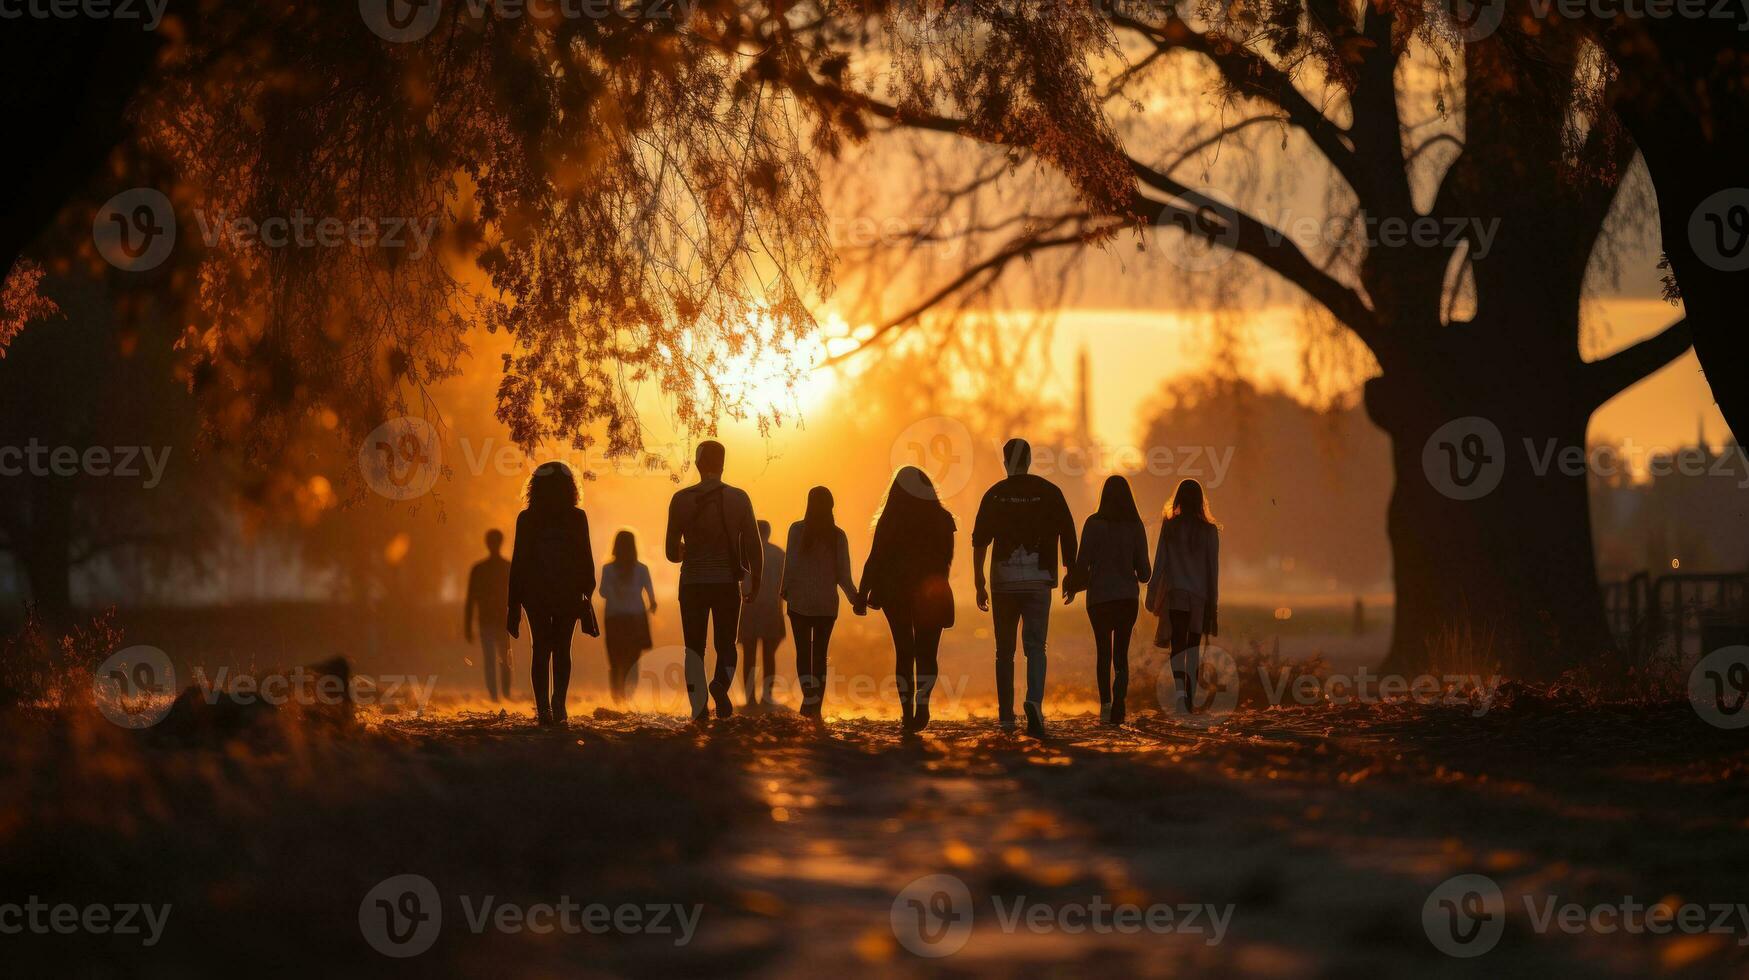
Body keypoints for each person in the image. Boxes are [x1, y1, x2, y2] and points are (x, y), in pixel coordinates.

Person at [971, 438, 1076, 737]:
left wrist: (978, 580)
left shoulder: (994, 495)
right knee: (1036, 647)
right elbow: (1068, 532)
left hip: (1003, 582)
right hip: (1039, 580)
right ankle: (1035, 703)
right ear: (1029, 460)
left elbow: (979, 541)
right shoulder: (1049, 492)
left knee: (1004, 651)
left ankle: (1006, 717)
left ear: (1005, 462)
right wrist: (1072, 572)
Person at [665, 440, 762, 721]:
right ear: (722, 465)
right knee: (726, 645)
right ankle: (720, 686)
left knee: (694, 649)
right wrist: (755, 582)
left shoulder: (681, 499)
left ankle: (698, 709)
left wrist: (688, 550)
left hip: (693, 584)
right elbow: (754, 546)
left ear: (697, 464)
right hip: (726, 585)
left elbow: (671, 553)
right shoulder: (739, 498)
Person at [859, 466, 956, 734]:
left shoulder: (890, 520)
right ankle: (923, 704)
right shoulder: (942, 518)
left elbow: (875, 557)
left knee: (904, 653)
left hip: (895, 591)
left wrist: (862, 592)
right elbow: (947, 559)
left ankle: (906, 712)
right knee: (927, 653)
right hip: (932, 592)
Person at [506, 462, 596, 726]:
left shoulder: (527, 518)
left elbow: (518, 563)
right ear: (570, 487)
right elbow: (585, 559)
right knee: (562, 649)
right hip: (567, 593)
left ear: (536, 487)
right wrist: (586, 595)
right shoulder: (577, 517)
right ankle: (559, 704)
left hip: (535, 595)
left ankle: (543, 708)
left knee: (540, 649)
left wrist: (513, 605)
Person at [1064, 476, 1150, 726]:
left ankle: (1105, 706)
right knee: (1121, 655)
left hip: (1099, 599)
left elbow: (1081, 565)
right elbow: (1144, 573)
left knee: (1103, 653)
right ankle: (1120, 699)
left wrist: (1072, 586)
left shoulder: (1093, 524)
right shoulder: (1135, 525)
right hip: (1126, 599)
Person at [780, 487, 865, 720]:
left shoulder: (796, 530)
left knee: (803, 653)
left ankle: (808, 698)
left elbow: (791, 565)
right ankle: (815, 706)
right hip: (826, 605)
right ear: (831, 506)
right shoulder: (838, 536)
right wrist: (855, 599)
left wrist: (783, 590)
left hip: (799, 602)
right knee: (819, 654)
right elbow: (843, 575)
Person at [1146, 478, 1221, 715]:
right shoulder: (1209, 531)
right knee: (1193, 647)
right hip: (1199, 596)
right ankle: (1189, 695)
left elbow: (1160, 563)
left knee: (1177, 645)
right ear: (1200, 501)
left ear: (1178, 499)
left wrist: (1151, 592)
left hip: (1176, 593)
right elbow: (1213, 570)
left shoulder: (1170, 526)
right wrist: (1213, 604)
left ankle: (1180, 692)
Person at [599, 529, 657, 704]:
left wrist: (616, 591)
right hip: (635, 619)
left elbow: (602, 592)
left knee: (615, 660)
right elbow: (652, 597)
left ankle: (618, 698)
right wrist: (651, 605)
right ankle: (627, 697)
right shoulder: (642, 569)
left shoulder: (608, 569)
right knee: (633, 661)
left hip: (614, 618)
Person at [737, 520, 787, 708]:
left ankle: (750, 699)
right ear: (769, 533)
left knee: (749, 655)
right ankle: (767, 696)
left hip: (749, 606)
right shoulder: (778, 554)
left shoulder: (744, 554)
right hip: (771, 608)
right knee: (769, 654)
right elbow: (785, 583)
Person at [463, 529, 514, 701]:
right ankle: (502, 694)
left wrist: (468, 625)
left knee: (492, 660)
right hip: (501, 620)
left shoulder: (479, 569)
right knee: (503, 659)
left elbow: (471, 600)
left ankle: (497, 695)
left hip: (491, 620)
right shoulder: (507, 567)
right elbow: (515, 596)